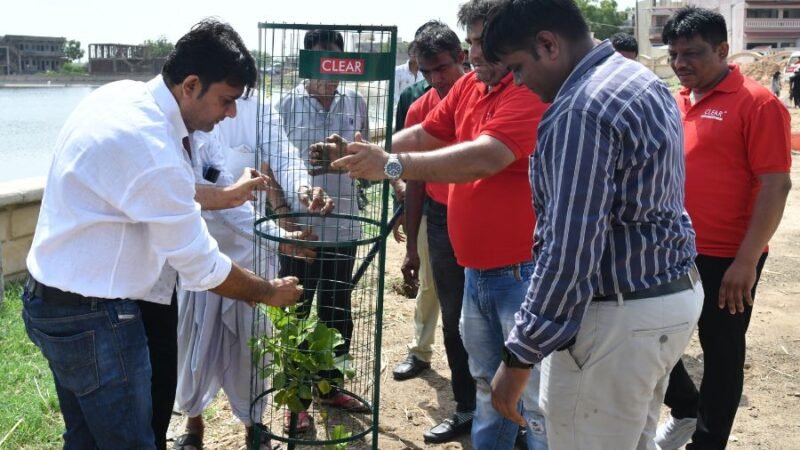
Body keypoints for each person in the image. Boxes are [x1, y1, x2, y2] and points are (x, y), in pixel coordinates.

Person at [21, 19, 302, 450]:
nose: (231, 114)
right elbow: (202, 265)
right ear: (190, 85)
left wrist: (230, 199)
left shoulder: (122, 96)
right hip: (95, 319)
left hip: (52, 301)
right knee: (131, 441)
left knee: (84, 439)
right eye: (226, 101)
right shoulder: (152, 145)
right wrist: (267, 291)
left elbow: (159, 192)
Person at [317, 2, 550, 447]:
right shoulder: (470, 88)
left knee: (533, 396)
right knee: (487, 384)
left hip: (519, 272)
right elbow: (427, 134)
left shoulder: (527, 93)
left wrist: (388, 165)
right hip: (478, 269)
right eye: (474, 41)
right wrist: (362, 150)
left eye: (485, 42)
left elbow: (484, 156)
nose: (476, 53)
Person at [481, 1, 702, 449]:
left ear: (548, 44)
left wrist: (520, 353)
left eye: (518, 68)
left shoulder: (581, 108)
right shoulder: (638, 80)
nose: (518, 82)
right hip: (664, 298)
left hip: (617, 317)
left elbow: (570, 249)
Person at [654, 7, 792, 450]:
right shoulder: (676, 101)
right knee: (653, 339)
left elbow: (776, 184)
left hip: (728, 255)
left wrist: (747, 260)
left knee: (721, 353)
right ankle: (686, 408)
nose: (680, 63)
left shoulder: (757, 102)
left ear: (722, 50)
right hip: (673, 250)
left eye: (692, 53)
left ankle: (708, 443)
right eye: (674, 54)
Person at [174, 96, 328, 450]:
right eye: (225, 97)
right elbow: (211, 195)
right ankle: (192, 423)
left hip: (251, 253)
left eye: (235, 96)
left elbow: (282, 158)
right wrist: (278, 237)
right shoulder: (189, 123)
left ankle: (253, 426)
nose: (229, 109)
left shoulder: (257, 110)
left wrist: (300, 193)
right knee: (192, 345)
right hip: (200, 256)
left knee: (253, 348)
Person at [276, 29, 371, 432]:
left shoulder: (357, 103)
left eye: (335, 62)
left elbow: (365, 159)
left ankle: (329, 387)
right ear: (307, 62)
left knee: (337, 309)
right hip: (300, 231)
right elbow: (270, 163)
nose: (328, 73)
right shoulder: (284, 105)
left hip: (343, 225)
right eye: (320, 62)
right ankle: (296, 400)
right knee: (296, 310)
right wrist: (283, 215)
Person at [392, 21, 466, 387]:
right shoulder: (419, 109)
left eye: (443, 68)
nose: (437, 78)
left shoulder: (485, 100)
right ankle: (421, 352)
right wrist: (411, 232)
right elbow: (413, 176)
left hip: (478, 217)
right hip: (438, 213)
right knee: (433, 288)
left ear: (462, 58)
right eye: (427, 71)